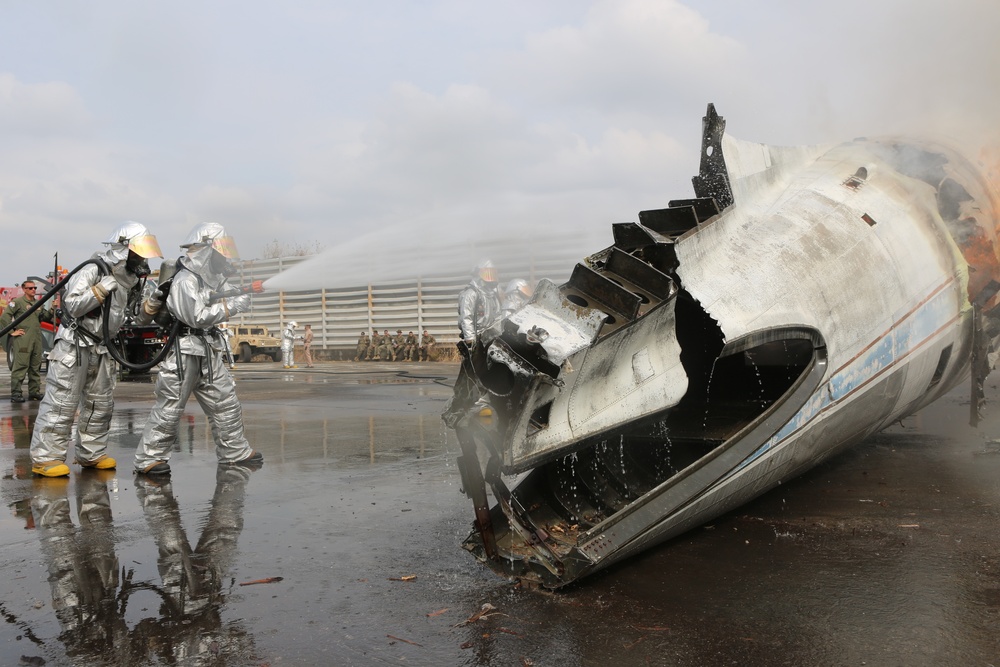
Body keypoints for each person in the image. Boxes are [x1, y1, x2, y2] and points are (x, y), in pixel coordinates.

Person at [30, 222, 163, 477]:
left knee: (99, 404)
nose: (144, 259)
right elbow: (73, 304)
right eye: (140, 252)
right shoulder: (94, 269)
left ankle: (91, 453)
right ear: (124, 249)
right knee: (61, 402)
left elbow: (135, 317)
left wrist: (153, 304)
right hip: (74, 344)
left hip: (102, 348)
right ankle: (46, 458)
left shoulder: (131, 281)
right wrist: (101, 290)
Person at [133, 222, 262, 476]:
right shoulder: (185, 280)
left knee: (225, 402)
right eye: (220, 250)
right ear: (205, 250)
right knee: (170, 407)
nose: (224, 256)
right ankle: (149, 459)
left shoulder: (205, 281)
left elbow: (215, 301)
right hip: (184, 351)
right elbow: (196, 317)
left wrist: (240, 293)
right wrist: (234, 306)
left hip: (206, 348)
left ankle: (234, 451)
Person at [0, 280, 54, 402]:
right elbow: (4, 317)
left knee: (35, 367)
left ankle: (34, 393)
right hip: (23, 340)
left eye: (34, 288)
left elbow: (44, 318)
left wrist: (52, 309)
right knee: (20, 367)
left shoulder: (37, 304)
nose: (33, 290)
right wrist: (12, 331)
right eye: (30, 288)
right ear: (24, 289)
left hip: (36, 340)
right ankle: (16, 394)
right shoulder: (18, 302)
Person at [457, 259, 501, 346]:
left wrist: (498, 334)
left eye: (492, 272)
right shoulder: (471, 294)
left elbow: (498, 315)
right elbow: (466, 317)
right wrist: (470, 339)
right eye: (487, 273)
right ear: (478, 274)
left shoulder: (492, 294)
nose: (489, 276)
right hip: (476, 337)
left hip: (490, 338)